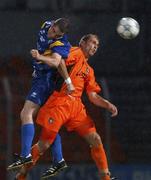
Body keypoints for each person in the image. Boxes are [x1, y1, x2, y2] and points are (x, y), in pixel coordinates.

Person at [17, 34, 118, 180]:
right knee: (44, 145)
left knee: (95, 139)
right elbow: (58, 61)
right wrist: (63, 79)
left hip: (76, 107)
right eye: (93, 42)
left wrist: (108, 105)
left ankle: (106, 177)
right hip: (60, 102)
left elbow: (93, 96)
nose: (95, 46)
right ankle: (21, 175)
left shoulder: (89, 70)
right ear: (83, 42)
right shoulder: (75, 52)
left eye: (97, 45)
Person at [7, 18, 75, 175]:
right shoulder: (46, 24)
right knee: (47, 120)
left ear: (61, 35)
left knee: (26, 113)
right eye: (53, 30)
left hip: (46, 81)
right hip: (40, 76)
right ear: (52, 24)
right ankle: (58, 159)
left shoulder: (61, 43)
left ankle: (25, 155)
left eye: (56, 34)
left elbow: (55, 62)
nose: (52, 34)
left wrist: (39, 58)